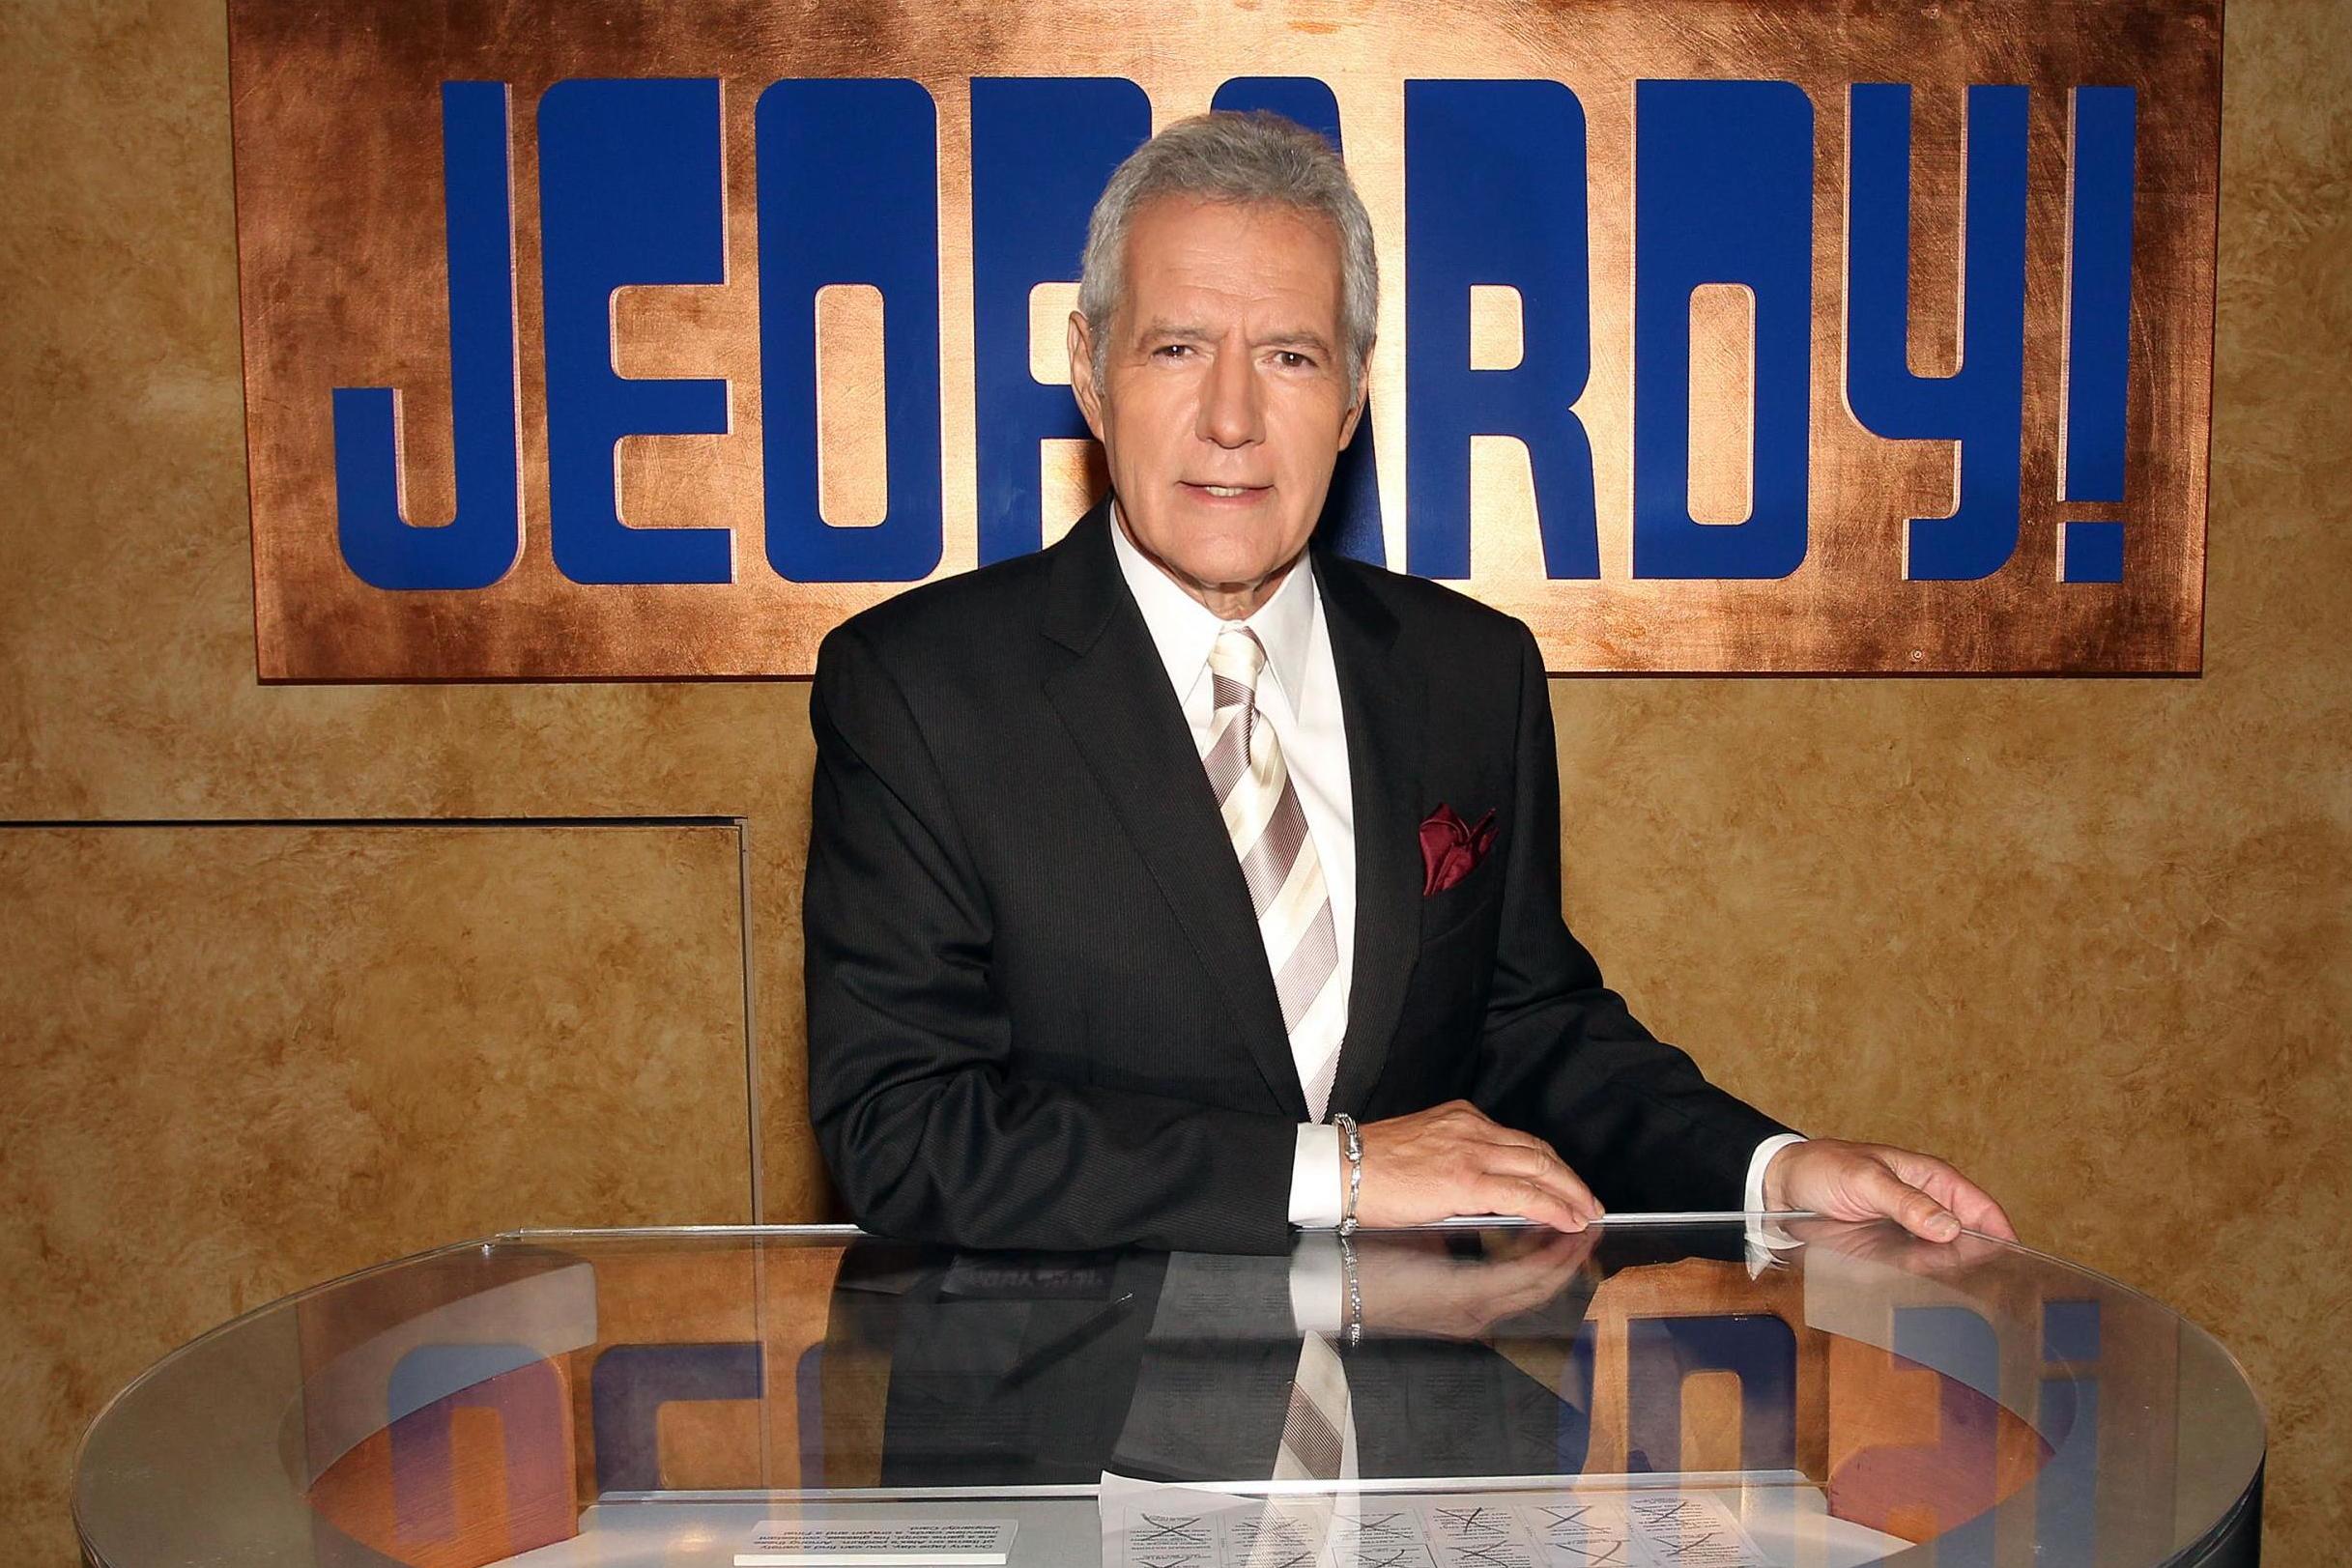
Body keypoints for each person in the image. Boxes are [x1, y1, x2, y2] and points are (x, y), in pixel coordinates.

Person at [803, 110, 2014, 1258]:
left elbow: (1527, 1025)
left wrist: (1770, 1169)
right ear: (1088, 367)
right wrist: (1336, 1172)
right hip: (1065, 1442)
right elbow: (901, 1137)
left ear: (1353, 394)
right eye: (1177, 347)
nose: (1231, 417)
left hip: (1415, 1424)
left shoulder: (1470, 673)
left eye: (1288, 355)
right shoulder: (917, 691)